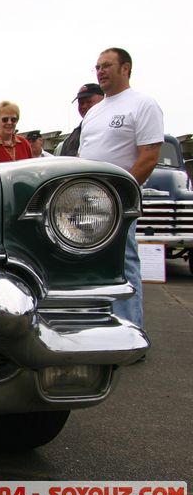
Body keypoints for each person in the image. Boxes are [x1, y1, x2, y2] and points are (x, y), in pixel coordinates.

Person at [80, 47, 164, 330]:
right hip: (86, 203)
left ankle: (131, 331)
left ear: (125, 68)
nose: (100, 71)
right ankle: (99, 327)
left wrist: (119, 197)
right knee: (89, 267)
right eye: (97, 67)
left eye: (106, 65)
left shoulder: (142, 104)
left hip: (117, 202)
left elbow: (149, 156)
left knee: (123, 264)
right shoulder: (94, 113)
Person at [59, 83, 104, 156]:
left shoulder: (113, 129)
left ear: (103, 100)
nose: (84, 106)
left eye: (89, 102)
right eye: (81, 103)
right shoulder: (72, 138)